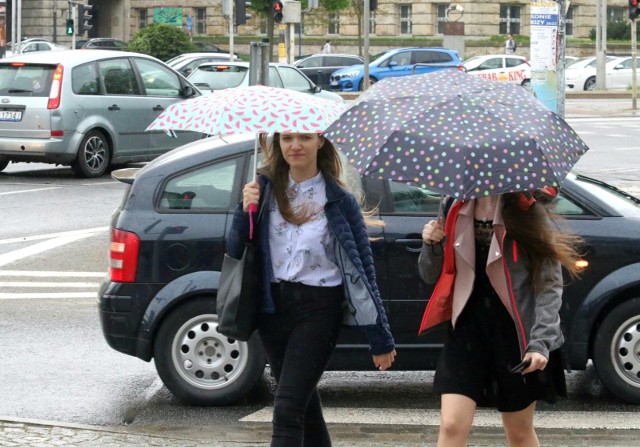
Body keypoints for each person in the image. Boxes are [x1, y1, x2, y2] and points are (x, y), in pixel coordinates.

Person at [227, 132, 396, 446]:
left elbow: (364, 271)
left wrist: (380, 337)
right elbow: (237, 248)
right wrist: (244, 209)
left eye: (304, 137)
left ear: (320, 142)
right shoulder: (263, 190)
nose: (295, 146)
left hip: (319, 309)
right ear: (278, 144)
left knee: (287, 407)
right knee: (304, 410)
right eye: (287, 138)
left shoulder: (339, 200)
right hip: (273, 309)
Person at [418, 190, 583, 447]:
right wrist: (431, 244)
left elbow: (549, 285)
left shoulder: (526, 209)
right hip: (466, 328)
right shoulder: (452, 205)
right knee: (451, 426)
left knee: (518, 432)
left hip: (514, 333)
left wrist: (540, 342)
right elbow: (429, 274)